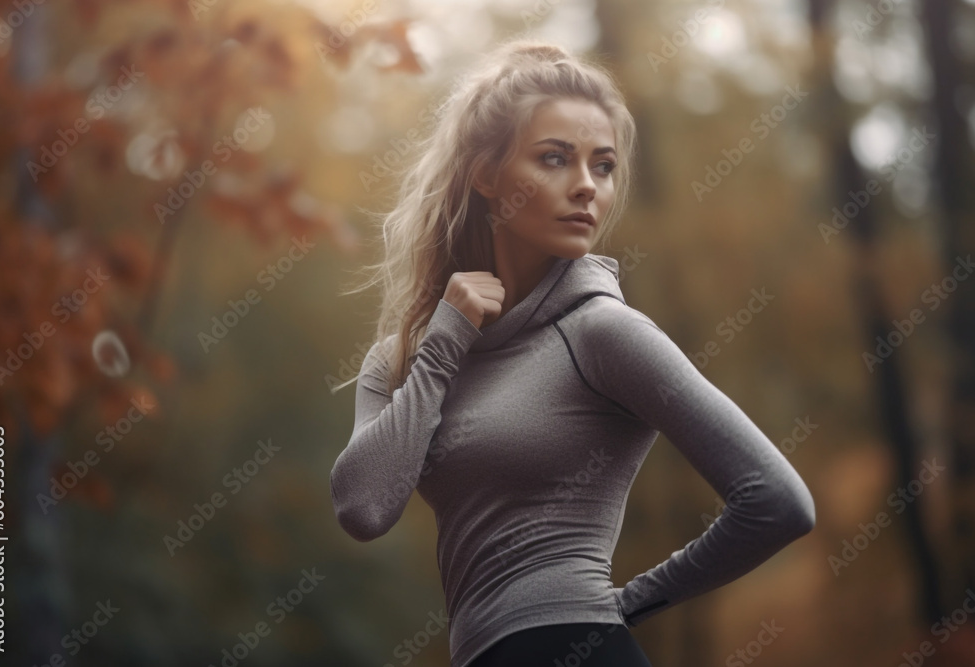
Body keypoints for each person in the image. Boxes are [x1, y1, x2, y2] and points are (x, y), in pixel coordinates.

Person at [329, 38, 816, 667]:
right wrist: (446, 341)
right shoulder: (409, 355)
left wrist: (630, 603)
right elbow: (363, 508)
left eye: (603, 165)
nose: (586, 186)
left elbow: (778, 502)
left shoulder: (603, 333)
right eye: (555, 159)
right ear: (485, 174)